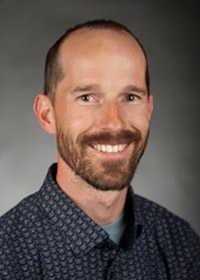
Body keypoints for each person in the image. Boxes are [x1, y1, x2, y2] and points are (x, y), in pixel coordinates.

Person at [0, 19, 200, 280]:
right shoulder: (6, 256)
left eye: (130, 97)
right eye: (87, 97)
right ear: (47, 115)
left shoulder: (181, 244)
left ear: (148, 110)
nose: (114, 122)